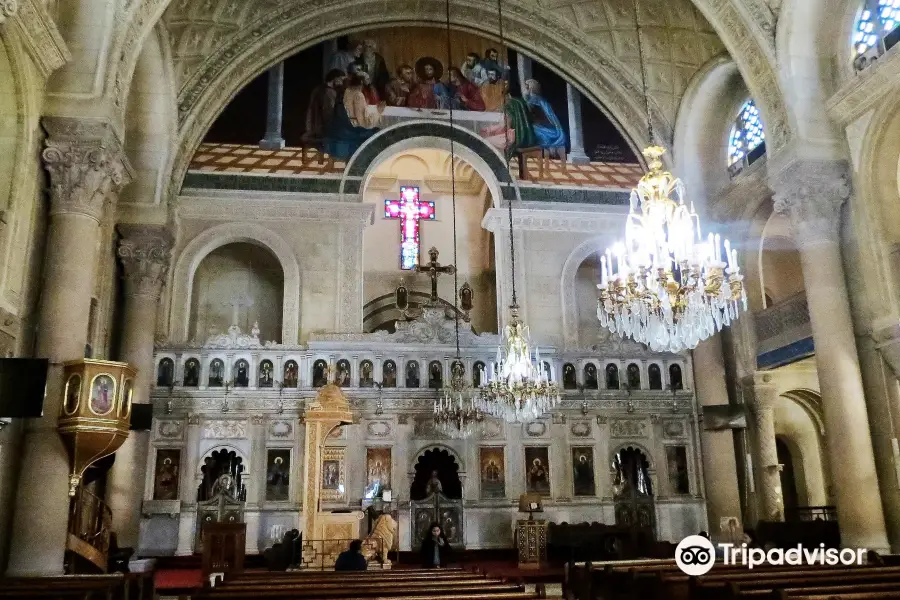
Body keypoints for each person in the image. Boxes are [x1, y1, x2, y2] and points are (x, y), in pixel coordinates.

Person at [324, 73, 385, 160]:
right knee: (378, 132)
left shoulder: (346, 92)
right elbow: (365, 122)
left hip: (341, 127)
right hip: (351, 129)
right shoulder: (358, 95)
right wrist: (378, 111)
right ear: (361, 84)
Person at [303, 68, 345, 146]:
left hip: (312, 126)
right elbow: (329, 114)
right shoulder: (330, 92)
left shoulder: (317, 88)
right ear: (335, 78)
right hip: (321, 129)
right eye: (341, 80)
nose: (342, 83)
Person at [523, 78, 567, 151]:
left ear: (530, 88)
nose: (526, 89)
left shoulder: (535, 99)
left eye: (527, 87)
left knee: (530, 129)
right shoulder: (536, 99)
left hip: (544, 125)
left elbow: (535, 113)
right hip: (542, 123)